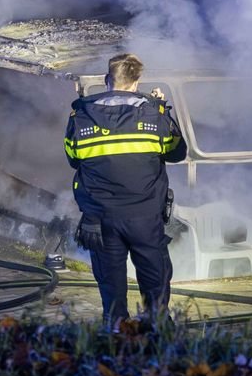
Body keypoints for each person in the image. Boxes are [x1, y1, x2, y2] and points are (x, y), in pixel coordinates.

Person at [66, 53, 186, 330]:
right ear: (136, 83)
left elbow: (73, 157)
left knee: (111, 283)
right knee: (154, 279)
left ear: (107, 81)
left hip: (100, 219)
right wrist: (162, 108)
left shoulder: (80, 117)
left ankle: (116, 335)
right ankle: (155, 334)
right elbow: (178, 152)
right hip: (145, 216)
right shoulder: (154, 117)